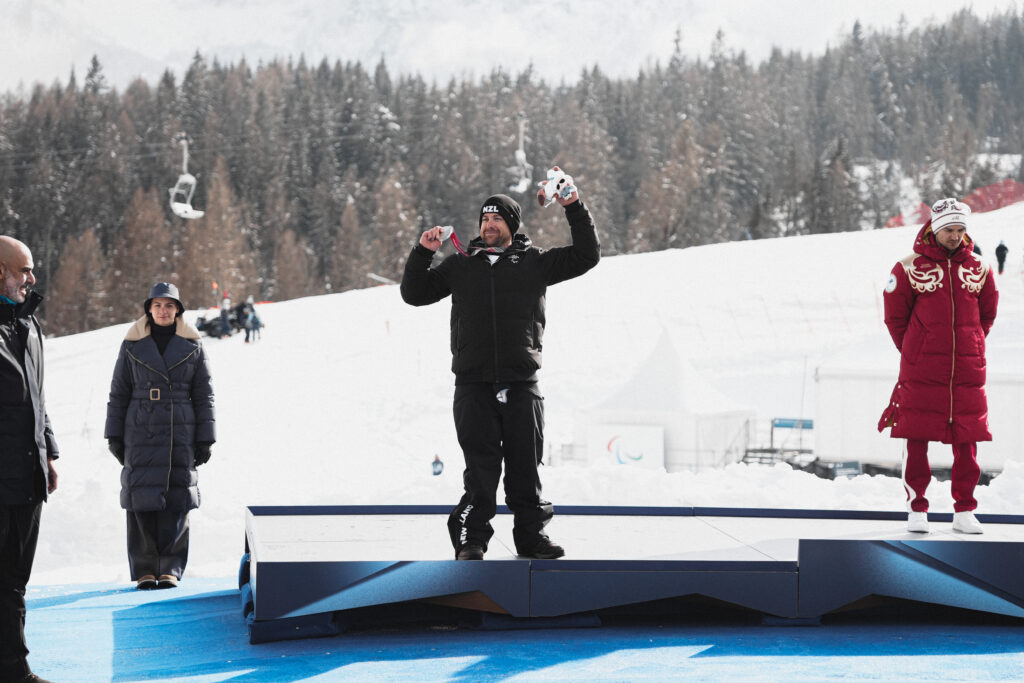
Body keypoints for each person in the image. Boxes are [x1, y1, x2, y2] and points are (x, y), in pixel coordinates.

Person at [400, 171, 600, 561]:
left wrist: (573, 206)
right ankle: (471, 540)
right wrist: (423, 252)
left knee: (525, 469)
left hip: (521, 383)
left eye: (497, 219)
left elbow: (586, 255)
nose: (489, 225)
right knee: (481, 471)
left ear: (511, 226)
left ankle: (532, 538)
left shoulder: (535, 263)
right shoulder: (460, 265)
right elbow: (415, 294)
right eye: (484, 219)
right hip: (473, 385)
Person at [878, 198, 998, 534]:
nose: (955, 236)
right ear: (934, 227)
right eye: (949, 229)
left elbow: (986, 315)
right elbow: (895, 318)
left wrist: (971, 343)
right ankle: (916, 508)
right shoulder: (907, 268)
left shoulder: (980, 268)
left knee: (968, 442)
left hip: (967, 373)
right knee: (916, 438)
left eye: (960, 230)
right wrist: (917, 349)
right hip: (921, 371)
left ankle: (964, 510)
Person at [105, 283, 215, 589]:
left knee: (176, 497)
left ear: (178, 309)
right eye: (157, 306)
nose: (163, 311)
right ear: (148, 309)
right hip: (139, 426)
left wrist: (206, 438)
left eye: (169, 306)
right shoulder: (131, 343)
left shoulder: (192, 344)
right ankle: (144, 568)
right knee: (141, 497)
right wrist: (113, 435)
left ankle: (170, 567)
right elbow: (118, 391)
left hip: (180, 428)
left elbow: (204, 394)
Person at [0, 236, 58, 683]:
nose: (31, 278)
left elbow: (36, 398)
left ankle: (13, 669)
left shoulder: (28, 324)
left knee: (14, 582)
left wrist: (49, 452)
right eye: (23, 270)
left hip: (28, 476)